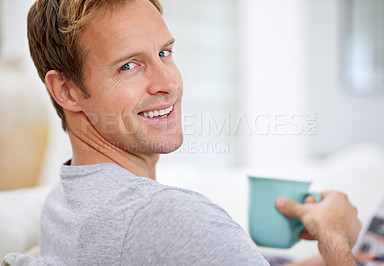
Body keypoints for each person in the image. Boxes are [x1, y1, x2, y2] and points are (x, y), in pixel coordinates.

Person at [24, 0, 362, 265]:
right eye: (128, 65)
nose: (168, 83)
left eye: (164, 53)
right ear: (66, 90)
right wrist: (335, 239)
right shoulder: (170, 218)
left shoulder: (65, 200)